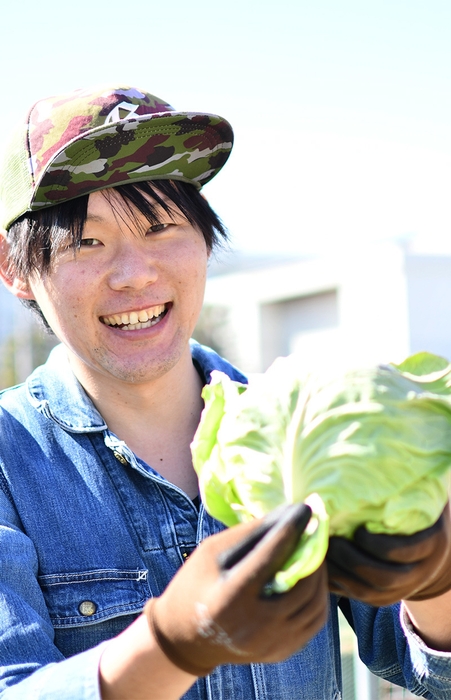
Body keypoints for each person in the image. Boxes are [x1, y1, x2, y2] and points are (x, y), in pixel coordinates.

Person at [0, 84, 450, 700]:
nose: (135, 273)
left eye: (162, 227)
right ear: (15, 268)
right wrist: (168, 645)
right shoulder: (9, 459)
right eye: (87, 241)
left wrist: (436, 582)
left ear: (206, 241)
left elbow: (430, 669)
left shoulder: (302, 432)